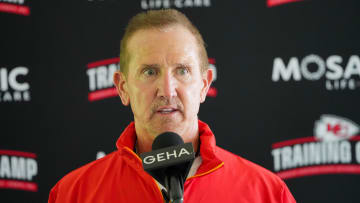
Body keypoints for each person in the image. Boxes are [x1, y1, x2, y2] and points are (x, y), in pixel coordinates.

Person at [48, 9, 296, 203]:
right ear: (123, 88)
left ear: (204, 85)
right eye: (149, 71)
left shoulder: (268, 194)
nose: (167, 90)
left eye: (182, 70)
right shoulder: (73, 194)